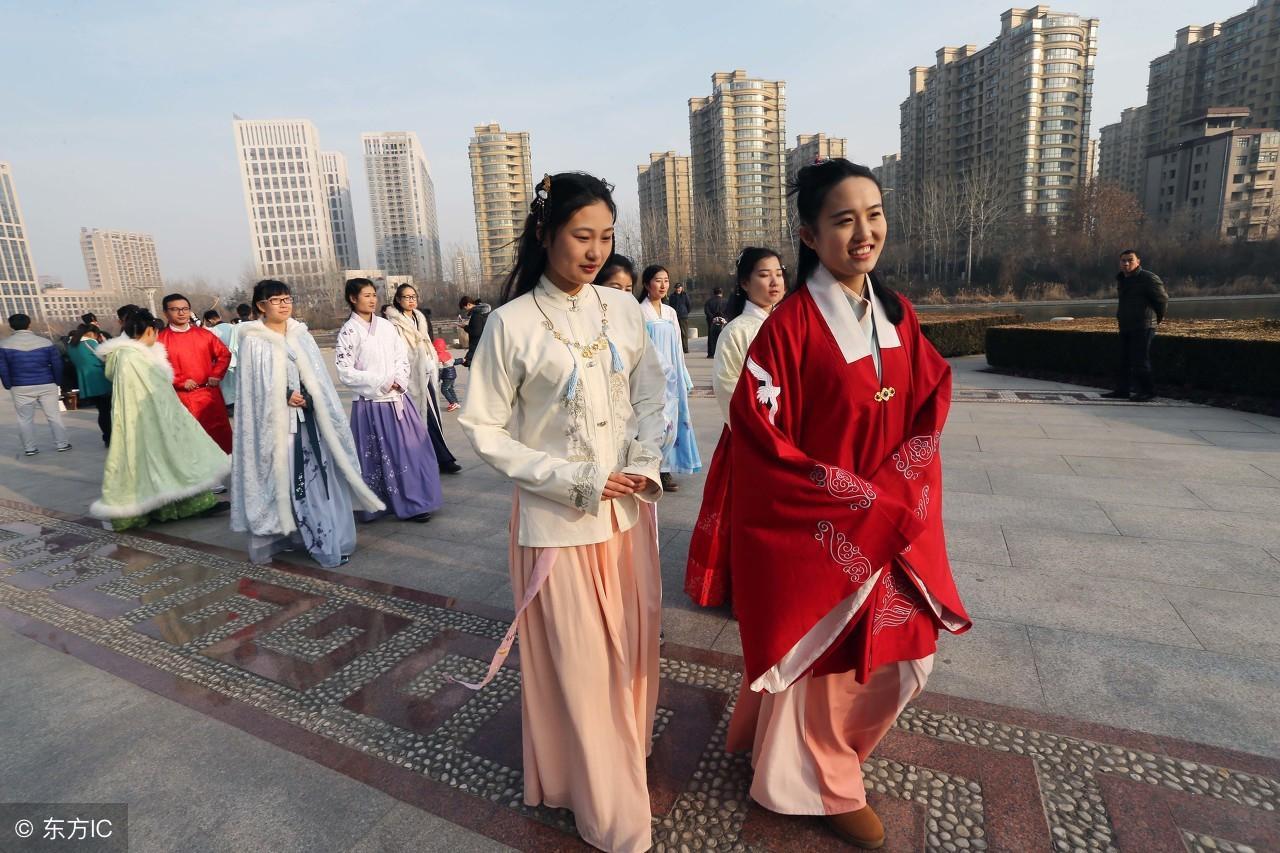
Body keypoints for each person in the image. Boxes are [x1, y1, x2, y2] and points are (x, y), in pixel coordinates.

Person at [724, 159, 971, 849]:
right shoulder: (788, 328)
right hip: (829, 522)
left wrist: (903, 481)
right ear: (809, 235)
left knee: (905, 658)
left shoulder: (897, 313)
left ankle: (830, 754)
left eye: (874, 214)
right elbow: (758, 433)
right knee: (829, 664)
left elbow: (931, 394)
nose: (864, 232)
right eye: (843, 220)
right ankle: (822, 782)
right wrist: (847, 495)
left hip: (892, 516)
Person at [459, 172, 667, 853]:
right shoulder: (511, 324)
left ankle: (618, 761)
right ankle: (609, 808)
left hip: (626, 517)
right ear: (546, 234)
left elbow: (651, 393)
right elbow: (483, 427)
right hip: (559, 527)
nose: (596, 251)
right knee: (583, 667)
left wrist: (644, 458)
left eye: (606, 236)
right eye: (582, 236)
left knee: (631, 653)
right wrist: (573, 478)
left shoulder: (623, 309)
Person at [232, 280, 385, 567]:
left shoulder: (301, 335)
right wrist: (283, 395)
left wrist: (311, 398)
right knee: (286, 482)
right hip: (279, 432)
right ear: (261, 306)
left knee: (315, 482)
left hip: (310, 424)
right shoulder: (254, 341)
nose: (284, 304)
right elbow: (254, 390)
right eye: (276, 300)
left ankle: (324, 538)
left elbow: (320, 381)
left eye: (287, 298)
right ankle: (295, 536)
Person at [684, 247, 786, 608]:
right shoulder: (738, 331)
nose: (774, 281)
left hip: (790, 437)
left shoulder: (788, 323)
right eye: (763, 274)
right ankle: (746, 591)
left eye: (779, 273)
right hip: (751, 439)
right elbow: (728, 388)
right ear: (744, 282)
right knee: (746, 517)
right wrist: (760, 434)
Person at [89, 309, 229, 530]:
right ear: (150, 330)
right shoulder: (132, 358)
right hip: (148, 420)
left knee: (171, 460)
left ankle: (187, 505)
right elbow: (142, 394)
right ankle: (155, 510)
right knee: (163, 461)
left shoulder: (132, 354)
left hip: (153, 417)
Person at [336, 278, 444, 522]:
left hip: (398, 400)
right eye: (366, 295)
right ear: (353, 299)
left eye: (374, 295)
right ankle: (380, 503)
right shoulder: (349, 332)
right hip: (371, 405)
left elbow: (401, 357)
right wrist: (383, 381)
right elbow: (344, 371)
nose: (372, 300)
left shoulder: (386, 326)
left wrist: (400, 380)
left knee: (412, 451)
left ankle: (415, 501)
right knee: (378, 456)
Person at [383, 283, 462, 474]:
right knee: (422, 419)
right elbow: (393, 352)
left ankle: (437, 458)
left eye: (414, 296)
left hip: (426, 374)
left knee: (432, 417)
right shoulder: (393, 323)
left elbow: (427, 343)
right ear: (398, 299)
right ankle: (440, 459)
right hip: (408, 378)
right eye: (406, 297)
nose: (411, 300)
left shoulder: (420, 318)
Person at [638, 264, 701, 492]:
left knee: (673, 421)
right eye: (658, 280)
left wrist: (683, 375)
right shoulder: (639, 312)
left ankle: (666, 470)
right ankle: (652, 469)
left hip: (673, 377)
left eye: (666, 280)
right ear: (647, 284)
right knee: (655, 423)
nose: (663, 285)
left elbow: (677, 348)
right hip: (652, 376)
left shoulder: (671, 312)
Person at [157, 293, 233, 453]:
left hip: (210, 395)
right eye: (175, 309)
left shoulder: (204, 334)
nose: (181, 313)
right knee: (191, 443)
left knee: (220, 441)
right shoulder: (160, 340)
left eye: (185, 309)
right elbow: (156, 368)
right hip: (181, 398)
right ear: (165, 313)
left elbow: (224, 354)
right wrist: (179, 381)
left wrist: (216, 374)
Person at [1102, 249, 1168, 403]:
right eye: (1123, 260)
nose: (1126, 263)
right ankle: (1122, 390)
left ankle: (1148, 391)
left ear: (1138, 261)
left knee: (1140, 360)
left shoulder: (1148, 278)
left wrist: (1155, 319)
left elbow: (1162, 300)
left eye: (1130, 260)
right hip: (1126, 325)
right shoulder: (1122, 279)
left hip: (1143, 325)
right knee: (1123, 360)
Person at [0, 313, 71, 456]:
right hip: (47, 383)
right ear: (29, 324)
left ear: (11, 326)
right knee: (53, 416)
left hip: (20, 386)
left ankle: (30, 448)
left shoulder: (4, 345)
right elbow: (57, 364)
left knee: (25, 419)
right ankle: (62, 444)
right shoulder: (45, 342)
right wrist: (57, 381)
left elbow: (3, 368)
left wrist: (8, 385)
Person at [68, 324, 113, 445]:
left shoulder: (71, 345)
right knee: (107, 412)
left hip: (87, 382)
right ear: (92, 333)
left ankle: (107, 437)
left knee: (102, 411)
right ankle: (110, 438)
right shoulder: (90, 343)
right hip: (101, 380)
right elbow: (106, 358)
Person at [205, 308, 241, 414]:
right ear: (219, 317)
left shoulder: (212, 332)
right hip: (237, 360)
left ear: (209, 321)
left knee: (225, 385)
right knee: (236, 383)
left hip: (221, 362)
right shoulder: (233, 327)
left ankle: (229, 407)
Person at [458, 295, 491, 367]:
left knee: (472, 366)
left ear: (469, 304)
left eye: (465, 307)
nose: (465, 310)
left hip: (477, 345)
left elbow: (476, 332)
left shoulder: (476, 315)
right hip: (484, 344)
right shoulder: (483, 313)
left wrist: (465, 327)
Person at [434, 338, 460, 411]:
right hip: (453, 375)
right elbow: (454, 361)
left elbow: (440, 370)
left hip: (447, 376)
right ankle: (456, 402)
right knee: (450, 389)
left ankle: (453, 403)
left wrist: (437, 379)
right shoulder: (447, 353)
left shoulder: (438, 357)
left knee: (444, 390)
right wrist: (461, 360)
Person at [704, 286, 729, 358]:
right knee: (723, 337)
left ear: (714, 293)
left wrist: (713, 318)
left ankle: (711, 353)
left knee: (711, 338)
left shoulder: (708, 302)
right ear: (721, 293)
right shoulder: (726, 301)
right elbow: (729, 311)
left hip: (712, 322)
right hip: (723, 322)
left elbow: (707, 311)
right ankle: (722, 353)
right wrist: (723, 318)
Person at [670, 281, 692, 353]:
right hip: (675, 317)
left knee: (684, 333)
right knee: (675, 333)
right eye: (676, 288)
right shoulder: (672, 296)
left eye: (679, 288)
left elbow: (689, 305)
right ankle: (677, 349)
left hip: (683, 316)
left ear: (682, 288)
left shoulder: (685, 295)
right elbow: (670, 306)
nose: (678, 289)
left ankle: (685, 348)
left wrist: (685, 312)